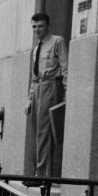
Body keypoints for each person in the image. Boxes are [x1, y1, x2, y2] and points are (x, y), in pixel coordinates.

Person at [25, 13, 68, 177]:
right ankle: (38, 171)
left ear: (47, 26)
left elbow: (66, 69)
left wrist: (66, 96)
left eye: (40, 26)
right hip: (38, 89)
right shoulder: (37, 48)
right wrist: (30, 100)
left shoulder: (57, 41)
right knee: (37, 132)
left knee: (45, 132)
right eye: (34, 26)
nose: (37, 30)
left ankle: (42, 175)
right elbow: (34, 77)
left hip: (51, 87)